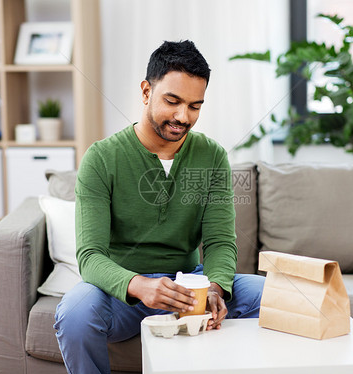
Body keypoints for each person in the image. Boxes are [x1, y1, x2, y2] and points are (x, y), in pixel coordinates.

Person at [54, 40, 265, 374]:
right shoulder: (101, 158)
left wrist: (214, 288)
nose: (183, 117)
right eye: (173, 101)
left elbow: (219, 241)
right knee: (75, 312)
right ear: (146, 91)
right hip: (124, 293)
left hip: (188, 287)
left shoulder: (212, 156)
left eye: (195, 106)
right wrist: (140, 285)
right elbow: (90, 257)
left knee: (272, 296)